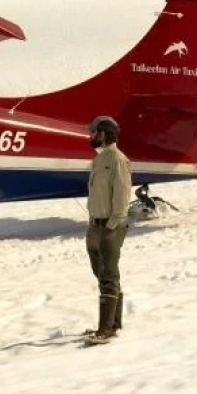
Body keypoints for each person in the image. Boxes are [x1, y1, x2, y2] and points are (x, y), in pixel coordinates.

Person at [84, 115, 132, 344]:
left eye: (94, 131)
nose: (91, 135)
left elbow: (121, 196)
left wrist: (112, 226)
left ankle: (106, 329)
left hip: (109, 227)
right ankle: (114, 323)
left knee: (108, 276)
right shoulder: (100, 159)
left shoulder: (117, 159)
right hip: (95, 225)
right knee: (102, 273)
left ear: (103, 133)